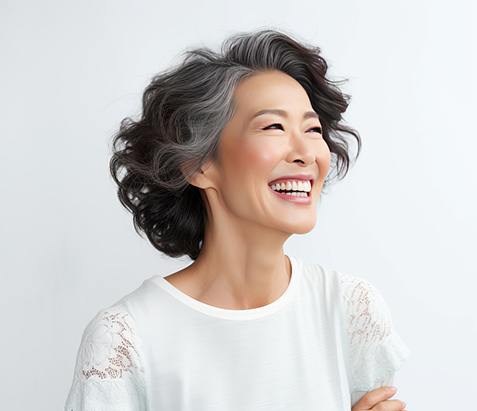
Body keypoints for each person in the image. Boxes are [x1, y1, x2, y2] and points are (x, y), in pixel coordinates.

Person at [64, 28, 411, 410]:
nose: (306, 153)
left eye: (312, 129)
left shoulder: (350, 310)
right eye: (274, 126)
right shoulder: (126, 339)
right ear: (198, 165)